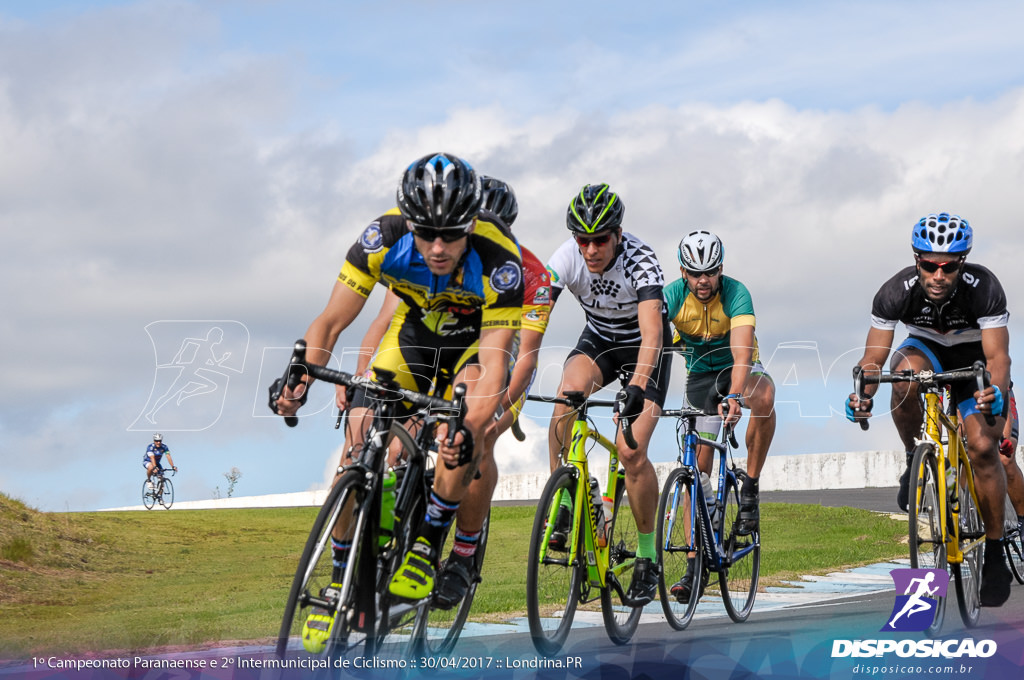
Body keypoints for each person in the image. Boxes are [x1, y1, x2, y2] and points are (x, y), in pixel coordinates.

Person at [271, 153, 523, 650]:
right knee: (359, 438)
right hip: (413, 340)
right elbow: (329, 321)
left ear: (471, 223)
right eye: (426, 232)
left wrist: (469, 426)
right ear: (408, 221)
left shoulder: (499, 260)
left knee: (462, 428)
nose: (437, 246)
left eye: (451, 234)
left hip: (472, 348)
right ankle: (340, 575)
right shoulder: (382, 239)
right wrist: (299, 376)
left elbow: (496, 362)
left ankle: (429, 544)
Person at [349, 176, 550, 609]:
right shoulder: (423, 257)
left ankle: (462, 551)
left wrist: (495, 415)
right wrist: (363, 371)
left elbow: (524, 356)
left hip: (491, 357)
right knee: (382, 424)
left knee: (479, 438)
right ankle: (389, 518)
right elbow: (386, 319)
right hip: (426, 346)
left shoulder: (526, 272)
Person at [847, 212, 1012, 607]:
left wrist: (998, 391)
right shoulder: (894, 291)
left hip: (974, 363)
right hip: (926, 352)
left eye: (949, 266)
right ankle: (913, 459)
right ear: (916, 260)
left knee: (984, 450)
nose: (938, 275)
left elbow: (999, 357)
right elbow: (873, 357)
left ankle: (994, 551)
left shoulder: (984, 287)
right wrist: (863, 394)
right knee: (902, 376)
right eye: (929, 265)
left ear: (962, 263)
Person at [544, 183, 671, 606]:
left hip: (644, 350)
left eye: (600, 240)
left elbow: (653, 333)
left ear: (618, 235)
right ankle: (561, 498)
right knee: (566, 399)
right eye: (583, 240)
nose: (591, 250)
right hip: (599, 341)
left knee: (630, 451)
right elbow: (534, 320)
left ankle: (648, 557)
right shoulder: (565, 259)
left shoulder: (642, 260)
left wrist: (636, 385)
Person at [663, 230, 776, 602]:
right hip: (698, 376)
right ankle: (694, 565)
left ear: (720, 269)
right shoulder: (671, 297)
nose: (703, 281)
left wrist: (734, 396)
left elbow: (742, 354)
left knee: (766, 396)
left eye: (710, 272)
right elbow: (649, 343)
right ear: (683, 272)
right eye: (695, 274)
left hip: (736, 369)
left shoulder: (736, 293)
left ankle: (751, 488)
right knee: (696, 469)